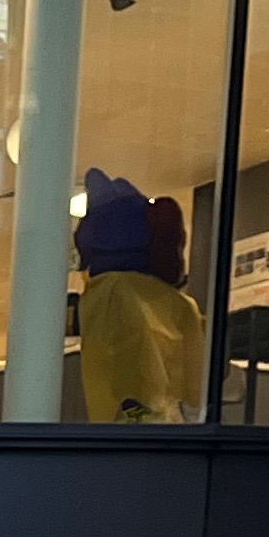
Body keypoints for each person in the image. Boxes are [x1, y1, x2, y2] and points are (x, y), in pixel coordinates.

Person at [75, 170, 206, 425]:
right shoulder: (181, 304)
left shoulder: (111, 290)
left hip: (131, 427)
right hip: (179, 430)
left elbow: (124, 364)